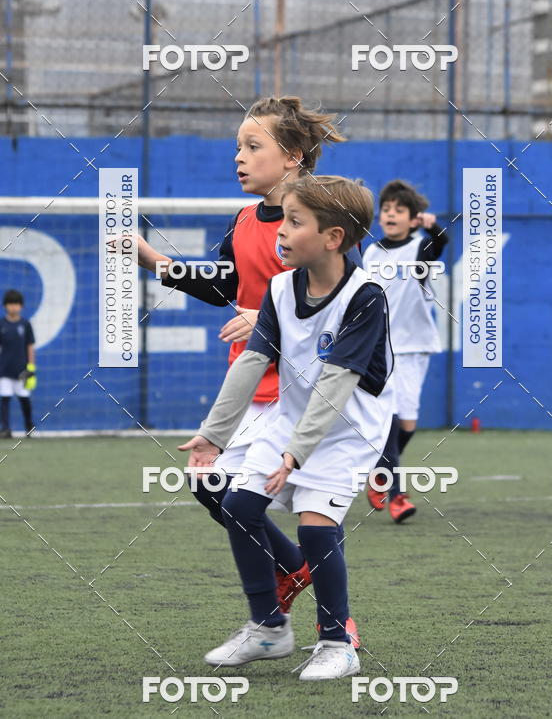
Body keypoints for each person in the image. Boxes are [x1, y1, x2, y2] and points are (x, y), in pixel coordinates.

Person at [135, 96, 362, 642]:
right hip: (249, 382)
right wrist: (149, 257)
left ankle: (323, 619)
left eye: (252, 146)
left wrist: (264, 317)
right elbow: (221, 286)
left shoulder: (314, 220)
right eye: (237, 146)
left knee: (300, 511)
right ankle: (289, 575)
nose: (239, 157)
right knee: (212, 484)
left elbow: (338, 298)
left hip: (299, 391)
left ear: (293, 156)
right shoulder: (243, 219)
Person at [179, 175, 393, 679]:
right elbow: (253, 360)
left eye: (295, 222)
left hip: (346, 429)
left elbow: (337, 386)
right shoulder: (279, 287)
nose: (282, 231)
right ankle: (268, 629)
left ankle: (338, 643)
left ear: (333, 237)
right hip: (292, 417)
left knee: (316, 527)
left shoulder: (366, 296)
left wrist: (293, 456)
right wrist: (214, 433)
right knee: (236, 505)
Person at [361, 179, 448, 523]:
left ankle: (378, 472)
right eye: (386, 210)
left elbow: (440, 244)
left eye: (399, 210)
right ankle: (396, 494)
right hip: (381, 349)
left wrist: (435, 228)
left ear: (413, 219)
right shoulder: (370, 253)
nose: (390, 214)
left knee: (407, 423)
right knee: (392, 418)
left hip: (415, 347)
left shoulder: (419, 249)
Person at [0, 290, 36, 439]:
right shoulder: (1, 324)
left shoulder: (25, 324)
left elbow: (30, 346)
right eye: (10, 304)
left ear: (21, 306)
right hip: (4, 370)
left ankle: (28, 426)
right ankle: (6, 429)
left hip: (22, 371)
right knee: (5, 399)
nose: (13, 307)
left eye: (16, 304)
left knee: (24, 399)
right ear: (5, 306)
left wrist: (31, 368)